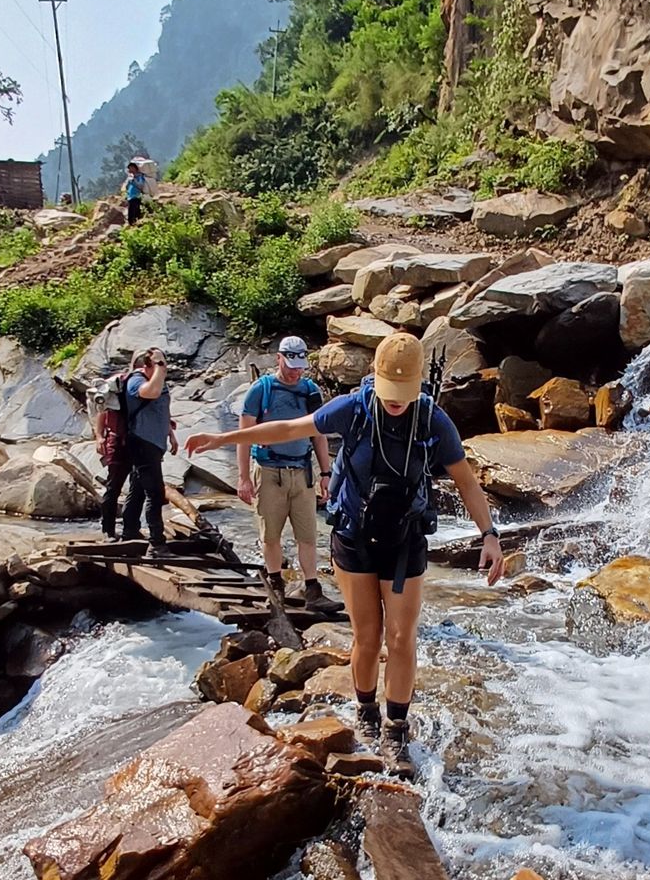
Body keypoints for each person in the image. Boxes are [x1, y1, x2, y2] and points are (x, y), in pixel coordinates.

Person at [187, 332, 504, 779]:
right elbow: (289, 429)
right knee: (368, 637)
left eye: (403, 394)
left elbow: (467, 481)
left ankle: (395, 730)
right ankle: (366, 714)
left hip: (405, 540)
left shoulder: (433, 420)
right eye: (389, 393)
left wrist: (489, 535)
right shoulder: (353, 408)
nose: (395, 402)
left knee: (401, 638)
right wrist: (223, 438)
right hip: (354, 538)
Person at [238, 336, 339, 613]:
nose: (296, 371)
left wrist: (326, 472)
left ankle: (312, 590)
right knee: (271, 534)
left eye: (300, 366)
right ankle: (276, 585)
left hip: (301, 471)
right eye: (291, 364)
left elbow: (318, 434)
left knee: (307, 534)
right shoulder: (261, 390)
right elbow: (244, 435)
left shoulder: (310, 391)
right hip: (269, 471)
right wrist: (244, 477)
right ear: (278, 358)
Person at [98, 348, 176, 550]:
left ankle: (130, 530)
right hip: (138, 442)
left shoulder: (156, 380)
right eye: (161, 364)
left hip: (152, 443)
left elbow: (161, 408)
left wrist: (170, 433)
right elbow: (152, 393)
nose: (165, 368)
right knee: (148, 491)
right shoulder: (135, 381)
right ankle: (155, 544)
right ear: (147, 366)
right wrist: (159, 366)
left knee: (139, 489)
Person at [123, 161, 148, 226]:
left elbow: (140, 186)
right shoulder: (130, 177)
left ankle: (137, 226)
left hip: (136, 197)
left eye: (131, 168)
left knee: (135, 213)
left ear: (135, 168)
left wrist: (134, 181)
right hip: (130, 197)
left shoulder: (140, 177)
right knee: (130, 215)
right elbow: (127, 187)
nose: (130, 170)